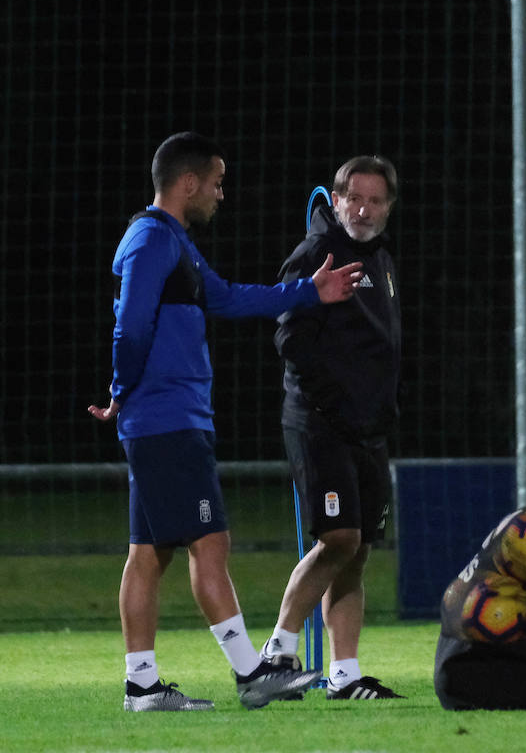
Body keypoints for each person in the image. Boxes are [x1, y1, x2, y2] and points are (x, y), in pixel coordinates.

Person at [88, 131, 363, 712]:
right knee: (209, 541)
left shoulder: (174, 244)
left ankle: (142, 685)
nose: (220, 194)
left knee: (148, 553)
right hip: (165, 418)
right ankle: (250, 674)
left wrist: (309, 293)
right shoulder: (150, 241)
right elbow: (130, 328)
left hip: (164, 415)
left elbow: (229, 298)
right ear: (187, 183)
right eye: (215, 182)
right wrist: (122, 391)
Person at [261, 155, 404, 699]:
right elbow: (289, 338)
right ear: (337, 200)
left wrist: (387, 403)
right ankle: (277, 653)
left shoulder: (383, 259)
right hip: (320, 423)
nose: (364, 210)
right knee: (338, 539)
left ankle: (343, 675)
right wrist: (333, 403)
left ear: (388, 207)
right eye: (355, 199)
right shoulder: (318, 254)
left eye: (375, 200)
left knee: (360, 546)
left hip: (369, 427)